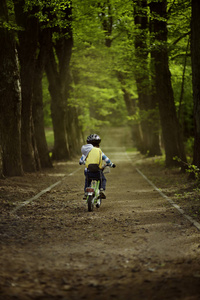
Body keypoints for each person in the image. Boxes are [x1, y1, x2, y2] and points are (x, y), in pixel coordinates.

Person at [79, 134, 116, 199]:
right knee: (103, 179)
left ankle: (86, 192)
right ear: (98, 145)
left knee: (87, 180)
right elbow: (107, 160)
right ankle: (102, 190)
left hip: (88, 171)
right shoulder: (99, 151)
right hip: (97, 171)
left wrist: (85, 162)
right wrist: (111, 165)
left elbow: (81, 161)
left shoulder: (86, 152)